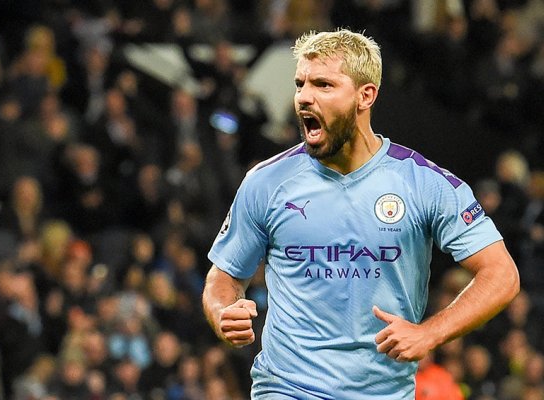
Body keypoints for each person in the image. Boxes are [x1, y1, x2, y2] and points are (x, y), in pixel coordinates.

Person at [201, 28, 520, 399]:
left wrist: (429, 333)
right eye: (300, 84)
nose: (304, 97)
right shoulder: (266, 182)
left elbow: (502, 274)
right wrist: (224, 311)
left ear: (365, 96)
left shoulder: (423, 183)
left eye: (323, 85)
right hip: (286, 387)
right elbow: (222, 277)